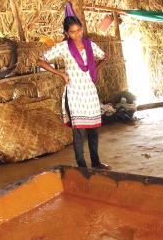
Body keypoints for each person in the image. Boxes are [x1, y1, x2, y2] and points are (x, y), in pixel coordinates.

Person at [38, 16, 110, 169]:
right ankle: (82, 166)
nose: (77, 35)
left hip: (89, 91)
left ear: (82, 29)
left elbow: (104, 57)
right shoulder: (63, 47)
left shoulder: (90, 45)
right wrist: (61, 74)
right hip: (74, 92)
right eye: (73, 32)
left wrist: (95, 69)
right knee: (79, 132)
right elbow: (41, 60)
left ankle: (96, 162)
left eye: (79, 30)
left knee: (93, 130)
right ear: (67, 33)